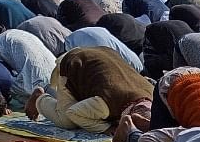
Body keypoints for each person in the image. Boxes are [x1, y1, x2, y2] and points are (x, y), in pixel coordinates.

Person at [25, 46, 154, 134]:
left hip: (96, 59)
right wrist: (106, 128)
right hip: (75, 63)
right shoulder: (105, 105)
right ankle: (39, 98)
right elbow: (73, 112)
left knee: (92, 113)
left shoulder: (153, 96)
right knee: (66, 121)